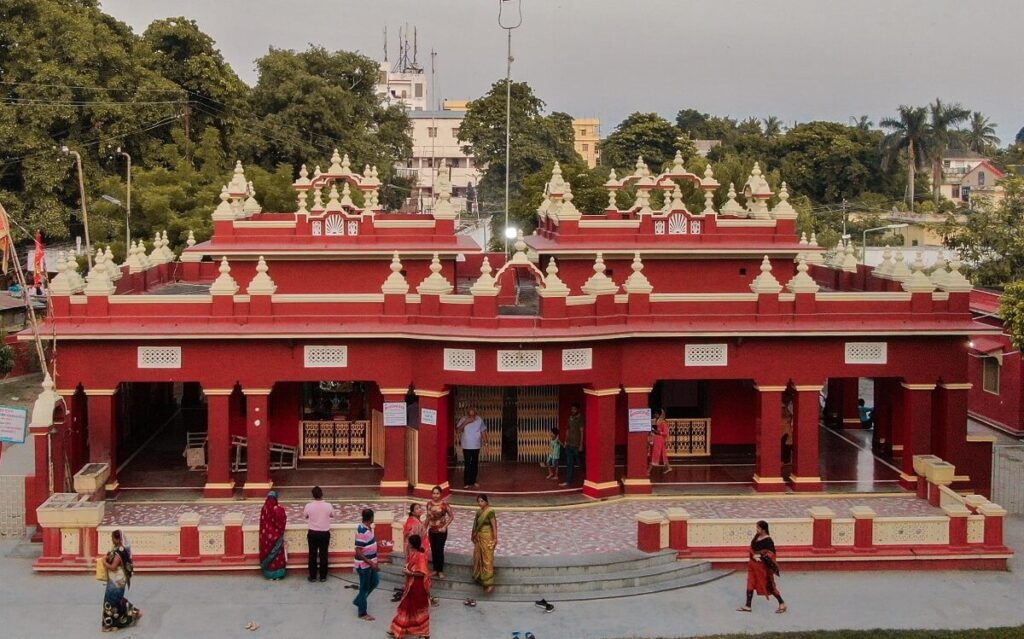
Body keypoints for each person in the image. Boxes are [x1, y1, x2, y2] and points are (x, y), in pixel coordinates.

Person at [387, 534, 432, 639]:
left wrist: (409, 573)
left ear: (411, 545)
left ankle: (425, 632)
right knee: (406, 607)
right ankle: (397, 629)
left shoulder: (420, 556)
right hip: (411, 587)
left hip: (418, 587)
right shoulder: (413, 554)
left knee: (418, 610)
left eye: (408, 542)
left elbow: (422, 573)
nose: (406, 544)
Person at [737, 520, 787, 614]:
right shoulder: (757, 536)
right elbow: (752, 548)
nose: (756, 529)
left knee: (769, 585)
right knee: (750, 583)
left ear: (763, 529)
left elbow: (771, 554)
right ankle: (748, 606)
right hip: (752, 565)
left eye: (758, 528)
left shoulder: (768, 540)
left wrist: (760, 556)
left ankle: (782, 603)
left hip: (762, 568)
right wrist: (753, 556)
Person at [101, 529, 141, 631]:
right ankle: (134, 612)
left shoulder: (119, 552)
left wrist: (104, 562)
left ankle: (109, 625)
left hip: (116, 582)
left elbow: (113, 567)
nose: (112, 540)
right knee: (117, 600)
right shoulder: (117, 549)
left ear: (118, 539)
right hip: (116, 580)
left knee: (110, 601)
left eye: (113, 538)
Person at [466, 494, 497, 605]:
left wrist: (495, 538)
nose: (480, 503)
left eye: (482, 501)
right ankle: (481, 579)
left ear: (486, 501)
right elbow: (475, 525)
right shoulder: (479, 512)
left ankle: (490, 583)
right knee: (478, 557)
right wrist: (473, 535)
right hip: (479, 538)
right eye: (478, 501)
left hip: (487, 537)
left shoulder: (490, 512)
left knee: (487, 559)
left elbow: (494, 526)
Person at [303, 485, 335, 582]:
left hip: (312, 532)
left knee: (312, 554)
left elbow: (305, 516)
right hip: (324, 533)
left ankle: (313, 576)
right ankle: (323, 576)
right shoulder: (328, 505)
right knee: (323, 554)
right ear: (322, 494)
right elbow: (332, 515)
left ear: (313, 495)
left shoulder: (308, 506)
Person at [353, 508, 381, 621]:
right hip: (364, 565)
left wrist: (377, 544)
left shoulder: (369, 529)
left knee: (375, 582)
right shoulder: (362, 532)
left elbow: (369, 544)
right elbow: (358, 552)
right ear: (371, 518)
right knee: (364, 588)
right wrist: (371, 563)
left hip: (371, 563)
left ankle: (359, 600)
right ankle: (362, 613)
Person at [426, 485, 455, 578]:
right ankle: (435, 569)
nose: (435, 495)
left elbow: (451, 517)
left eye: (437, 493)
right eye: (434, 493)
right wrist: (424, 527)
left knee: (439, 549)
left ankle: (440, 570)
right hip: (431, 530)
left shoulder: (444, 504)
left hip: (441, 531)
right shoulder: (429, 504)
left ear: (441, 494)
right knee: (434, 550)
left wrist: (445, 526)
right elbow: (428, 517)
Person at [258, 490, 288, 580]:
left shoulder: (264, 509)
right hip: (277, 536)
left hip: (266, 537)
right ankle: (278, 574)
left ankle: (268, 574)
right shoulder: (279, 509)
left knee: (267, 553)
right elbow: (282, 521)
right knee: (277, 555)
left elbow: (263, 522)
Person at [456, 408, 486, 488]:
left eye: (473, 414)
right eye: (470, 414)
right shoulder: (463, 419)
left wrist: (486, 442)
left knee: (474, 464)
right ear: (468, 414)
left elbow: (482, 431)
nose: (472, 416)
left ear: (476, 414)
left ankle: (473, 481)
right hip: (466, 446)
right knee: (467, 464)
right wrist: (465, 422)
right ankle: (466, 482)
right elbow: (458, 430)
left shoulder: (479, 419)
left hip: (476, 445)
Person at [560, 403, 583, 487]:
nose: (572, 410)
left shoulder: (580, 418)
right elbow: (567, 430)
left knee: (580, 463)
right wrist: (565, 441)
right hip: (569, 444)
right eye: (572, 409)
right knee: (569, 463)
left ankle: (584, 479)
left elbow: (581, 431)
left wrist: (581, 444)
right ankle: (568, 481)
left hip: (576, 445)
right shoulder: (570, 418)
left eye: (574, 409)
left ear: (578, 410)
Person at [649, 409, 672, 475]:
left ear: (659, 415)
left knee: (655, 454)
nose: (655, 415)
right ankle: (668, 467)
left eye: (656, 414)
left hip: (659, 440)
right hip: (657, 439)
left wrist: (657, 432)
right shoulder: (658, 422)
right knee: (663, 454)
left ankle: (648, 470)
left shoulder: (663, 423)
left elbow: (665, 433)